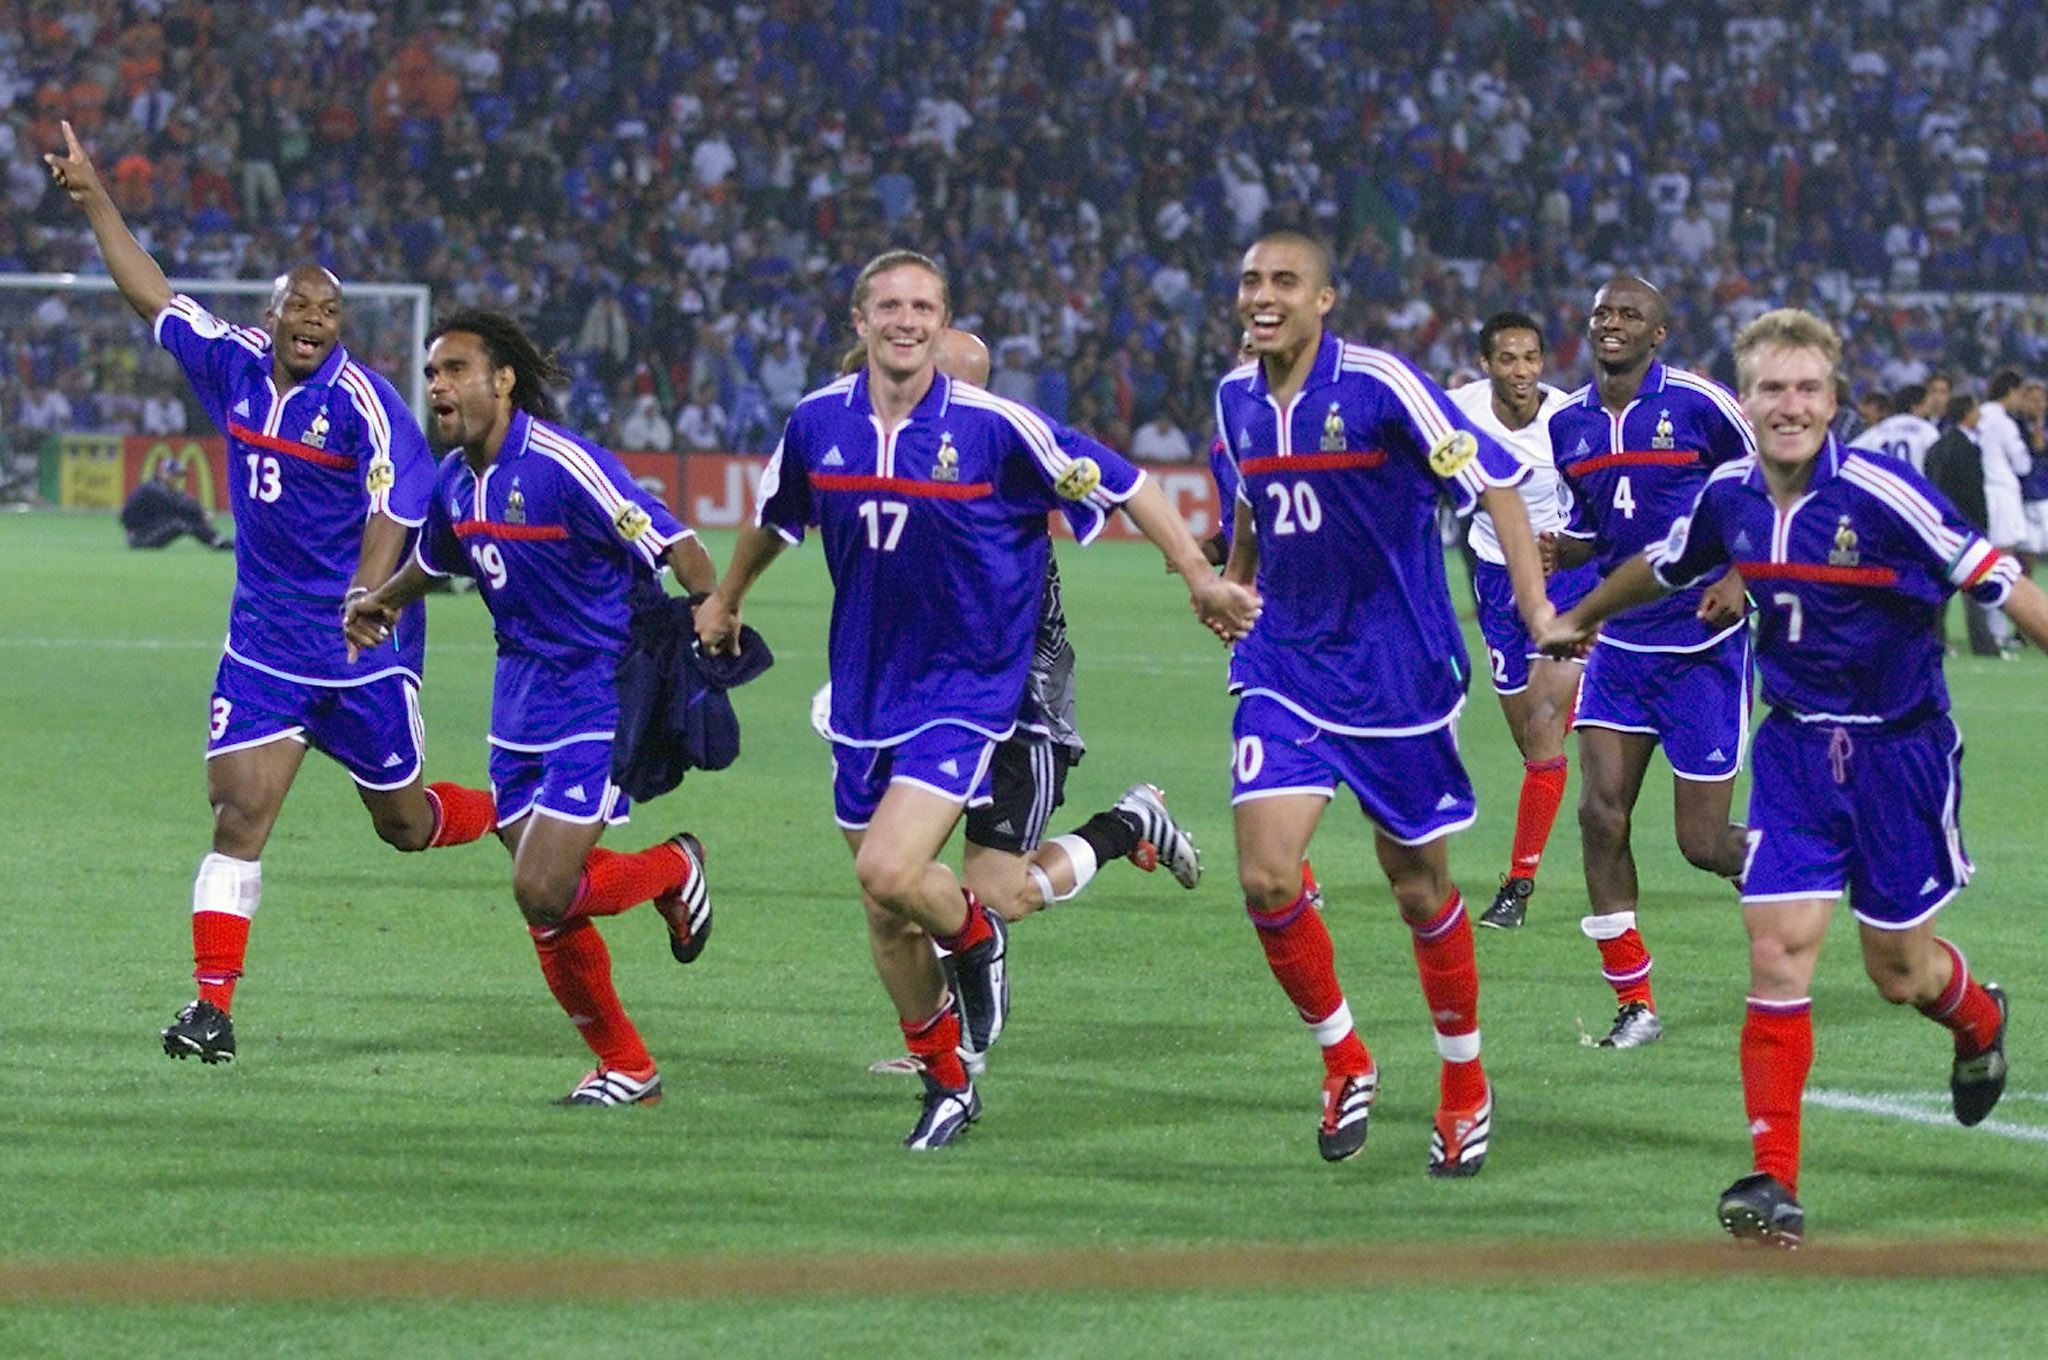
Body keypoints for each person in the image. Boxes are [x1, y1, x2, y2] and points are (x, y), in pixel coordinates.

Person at [694, 249, 1258, 1149]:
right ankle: (950, 1081)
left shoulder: (998, 431)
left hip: (972, 691)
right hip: (865, 691)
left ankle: (974, 941)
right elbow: (773, 518)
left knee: (891, 870)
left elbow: (1127, 482)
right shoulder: (815, 426)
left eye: (923, 306)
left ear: (944, 320)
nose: (906, 320)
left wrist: (1196, 572)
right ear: (860, 319)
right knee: (888, 910)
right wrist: (726, 600)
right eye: (890, 305)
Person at [1539, 307, 2042, 1247]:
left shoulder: (1887, 498)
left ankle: (1977, 1018)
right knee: (1777, 951)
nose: (1791, 405)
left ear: (1834, 402)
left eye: (1809, 389)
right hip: (1798, 752)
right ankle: (1773, 1180)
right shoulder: (1729, 495)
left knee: (1900, 972)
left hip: (1900, 755)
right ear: (1749, 398)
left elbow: (2003, 586)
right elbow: (1666, 564)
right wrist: (1584, 615)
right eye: (1773, 388)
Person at [45, 119, 497, 1065]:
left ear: (340, 327)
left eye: (324, 314)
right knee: (239, 810)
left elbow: (393, 511)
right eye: (297, 307)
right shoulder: (235, 362)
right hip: (263, 643)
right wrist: (93, 197)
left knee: (404, 826)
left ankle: (511, 805)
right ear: (275, 309)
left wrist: (368, 597)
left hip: (358, 645)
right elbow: (153, 295)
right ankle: (211, 1009)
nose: (307, 322)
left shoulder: (367, 405)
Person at [1217, 231, 1550, 1174]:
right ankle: (1345, 1056)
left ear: (1326, 299)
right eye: (1252, 281)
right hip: (1284, 666)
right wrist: (1239, 581)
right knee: (1268, 876)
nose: (1264, 295)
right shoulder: (1235, 395)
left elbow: (1498, 485)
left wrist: (1534, 609)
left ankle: (1463, 1081)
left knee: (1418, 887)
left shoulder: (1379, 385)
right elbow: (1250, 498)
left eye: (1286, 281)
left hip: (1396, 674)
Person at [344, 309, 720, 1106]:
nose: (436, 384)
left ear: (502, 380)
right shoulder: (455, 481)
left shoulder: (562, 464)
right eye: (432, 371)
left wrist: (711, 616)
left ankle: (671, 871)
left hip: (601, 691)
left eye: (453, 370)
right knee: (546, 897)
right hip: (517, 706)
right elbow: (436, 562)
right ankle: (629, 1065)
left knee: (541, 889)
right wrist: (380, 601)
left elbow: (678, 545)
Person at [861, 326, 1210, 1078]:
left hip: (1018, 708)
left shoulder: (1010, 450)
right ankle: (943, 1050)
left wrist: (1197, 569)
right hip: (919, 702)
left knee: (1000, 897)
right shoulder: (899, 450)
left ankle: (1126, 825)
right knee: (895, 886)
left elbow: (1125, 483)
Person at [1547, 275, 1756, 1049]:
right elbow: (1595, 528)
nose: (1612, 323)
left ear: (1658, 333)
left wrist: (1740, 576)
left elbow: (1766, 488)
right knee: (1600, 815)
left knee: (1701, 845)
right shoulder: (1568, 424)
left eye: (1629, 314)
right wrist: (1561, 550)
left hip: (1703, 647)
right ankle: (1635, 1001)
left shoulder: (1703, 405)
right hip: (1623, 651)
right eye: (1602, 311)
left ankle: (1783, 857)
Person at [1448, 311, 1588, 930]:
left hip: (1564, 581)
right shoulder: (1457, 412)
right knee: (1529, 740)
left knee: (1544, 727)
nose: (1523, 370)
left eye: (1532, 357)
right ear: (1487, 364)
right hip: (1494, 576)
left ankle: (1519, 884)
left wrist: (1582, 546)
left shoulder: (1570, 419)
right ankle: (1586, 709)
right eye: (1509, 359)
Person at [120, 454, 232, 550]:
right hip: (138, 537)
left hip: (145, 530)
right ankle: (217, 541)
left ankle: (217, 539)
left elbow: (182, 500)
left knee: (184, 517)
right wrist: (201, 513)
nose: (176, 479)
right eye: (173, 475)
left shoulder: (159, 487)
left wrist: (199, 512)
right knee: (182, 522)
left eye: (177, 476)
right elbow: (178, 504)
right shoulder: (152, 489)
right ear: (163, 473)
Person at [1848, 383, 1940, 473]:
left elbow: (1851, 451)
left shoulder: (1883, 426)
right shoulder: (1927, 430)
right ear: (1916, 406)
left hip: (1883, 484)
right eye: (1927, 404)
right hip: (1916, 485)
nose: (1930, 409)